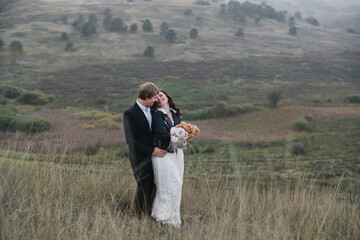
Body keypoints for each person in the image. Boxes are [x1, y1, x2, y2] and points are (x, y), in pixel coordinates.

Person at [123, 82, 167, 217]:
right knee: (143, 186)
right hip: (138, 156)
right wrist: (151, 150)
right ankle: (137, 216)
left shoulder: (153, 110)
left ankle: (148, 214)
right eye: (154, 97)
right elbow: (130, 140)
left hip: (153, 156)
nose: (156, 100)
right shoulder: (130, 113)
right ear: (146, 96)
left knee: (154, 185)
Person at [151, 90, 184, 227]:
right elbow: (161, 133)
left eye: (161, 95)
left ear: (166, 96)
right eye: (156, 97)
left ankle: (174, 216)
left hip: (177, 153)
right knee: (169, 185)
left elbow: (182, 131)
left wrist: (184, 139)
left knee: (178, 184)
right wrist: (179, 137)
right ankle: (162, 216)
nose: (159, 98)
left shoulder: (176, 115)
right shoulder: (157, 115)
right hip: (163, 153)